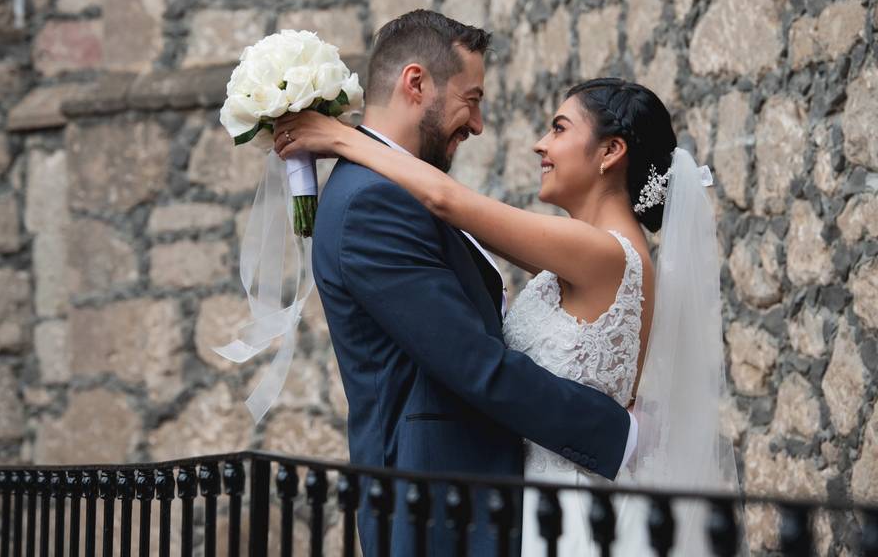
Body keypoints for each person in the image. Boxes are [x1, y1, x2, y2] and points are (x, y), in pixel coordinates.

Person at [275, 72, 740, 554]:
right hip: (544, 497)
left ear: (610, 151)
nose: (541, 144)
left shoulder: (601, 252)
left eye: (559, 129)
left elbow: (447, 201)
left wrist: (343, 139)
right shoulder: (587, 256)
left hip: (572, 509)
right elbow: (471, 234)